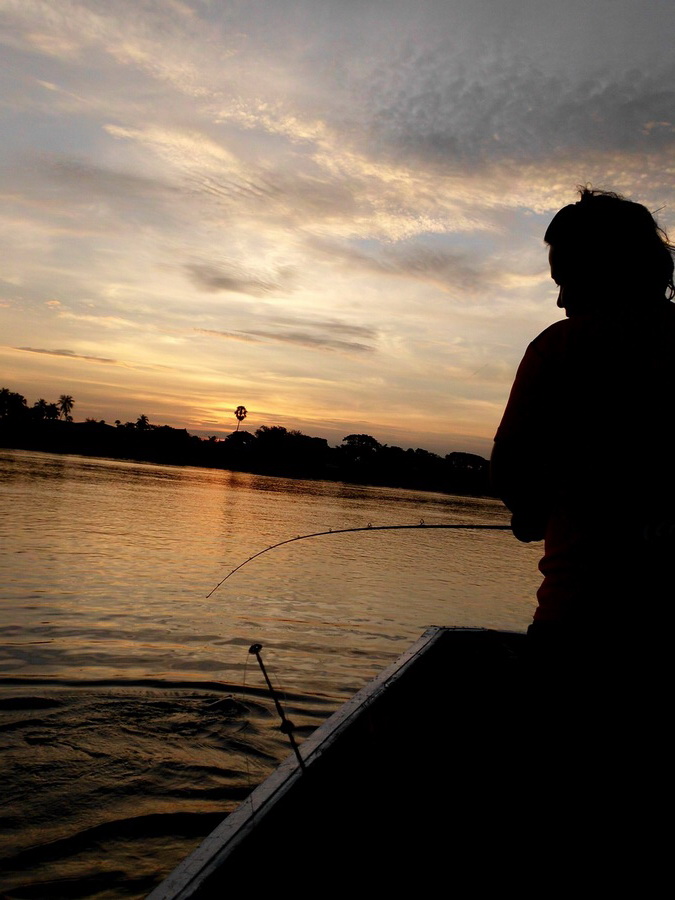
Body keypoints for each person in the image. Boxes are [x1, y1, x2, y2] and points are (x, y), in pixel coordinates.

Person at [491, 187, 675, 654]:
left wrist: (532, 512)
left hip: (578, 619)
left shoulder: (559, 348)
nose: (561, 300)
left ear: (605, 270)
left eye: (566, 280)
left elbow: (512, 473)